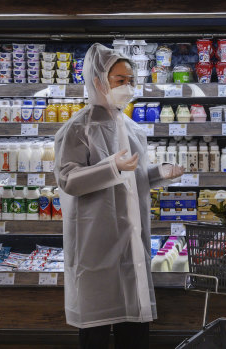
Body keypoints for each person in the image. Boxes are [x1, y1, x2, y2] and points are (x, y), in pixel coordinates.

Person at [53, 43, 184, 349]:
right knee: (96, 330)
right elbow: (68, 180)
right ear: (98, 80)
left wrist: (157, 173)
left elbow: (132, 178)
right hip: (95, 244)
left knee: (134, 327)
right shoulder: (76, 129)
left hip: (130, 243)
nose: (127, 87)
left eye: (130, 80)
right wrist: (111, 166)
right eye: (119, 80)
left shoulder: (133, 128)